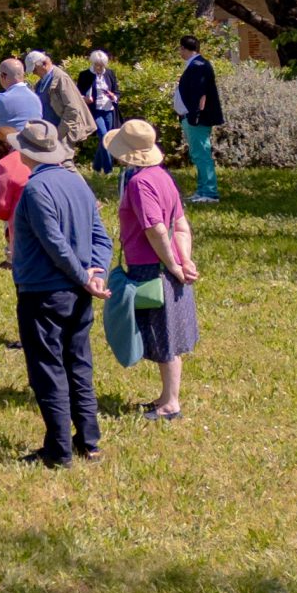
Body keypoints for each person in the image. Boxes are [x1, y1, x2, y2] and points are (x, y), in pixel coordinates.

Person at [8, 121, 112, 468]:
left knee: (48, 369)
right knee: (78, 364)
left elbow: (55, 243)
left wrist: (86, 276)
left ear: (25, 153)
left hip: (44, 291)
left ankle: (58, 450)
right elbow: (102, 237)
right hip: (77, 291)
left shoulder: (36, 190)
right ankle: (89, 441)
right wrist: (96, 273)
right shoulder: (77, 182)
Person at [104, 118, 200, 418]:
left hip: (152, 267)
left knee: (164, 336)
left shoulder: (138, 183)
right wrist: (185, 260)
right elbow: (180, 225)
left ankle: (171, 403)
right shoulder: (162, 176)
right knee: (167, 333)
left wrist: (172, 265)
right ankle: (165, 397)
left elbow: (157, 228)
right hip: (166, 266)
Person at [173, 36, 224, 205]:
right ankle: (202, 190)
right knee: (198, 154)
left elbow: (200, 94)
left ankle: (209, 192)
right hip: (190, 117)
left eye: (180, 49)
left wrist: (195, 116)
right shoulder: (195, 65)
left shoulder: (198, 66)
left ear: (185, 49)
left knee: (202, 154)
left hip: (196, 119)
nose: (180, 52)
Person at [30, 51, 96, 152]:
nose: (33, 73)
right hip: (50, 133)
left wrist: (59, 133)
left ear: (44, 64)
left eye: (34, 69)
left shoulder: (61, 78)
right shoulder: (40, 83)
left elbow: (72, 109)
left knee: (66, 163)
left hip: (63, 133)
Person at [0, 124, 31, 267]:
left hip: (23, 220)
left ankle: (12, 259)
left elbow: (0, 207)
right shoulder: (38, 153)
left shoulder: (5, 164)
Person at [84, 52, 123, 175]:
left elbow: (117, 92)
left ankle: (96, 167)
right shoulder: (86, 75)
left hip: (109, 110)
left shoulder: (110, 73)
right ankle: (108, 170)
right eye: (97, 65)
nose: (99, 68)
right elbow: (79, 93)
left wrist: (113, 96)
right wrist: (85, 98)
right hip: (95, 111)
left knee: (106, 140)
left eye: (101, 65)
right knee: (104, 137)